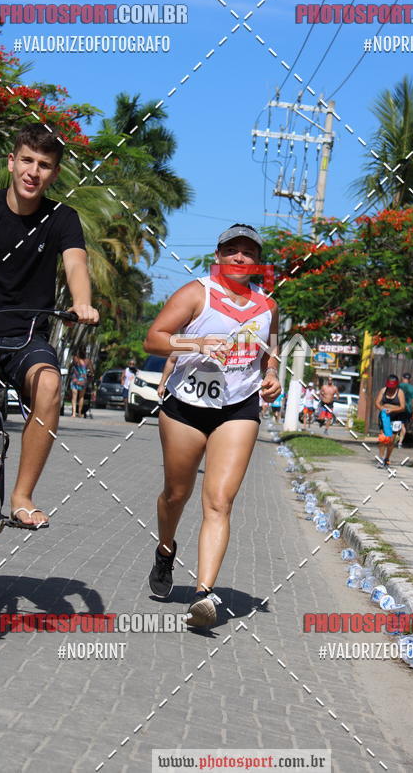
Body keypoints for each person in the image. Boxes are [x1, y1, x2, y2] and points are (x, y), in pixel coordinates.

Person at [0, 123, 99, 537]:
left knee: (49, 385)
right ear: (11, 163)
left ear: (54, 173)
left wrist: (81, 302)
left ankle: (22, 498)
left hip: (27, 338)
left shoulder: (62, 218)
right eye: (27, 160)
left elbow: (76, 263)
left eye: (45, 165)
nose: (34, 171)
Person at [143, 223, 281, 628]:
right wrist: (196, 345)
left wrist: (272, 373)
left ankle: (203, 595)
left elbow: (268, 351)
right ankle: (165, 549)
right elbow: (154, 339)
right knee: (176, 494)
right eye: (232, 250)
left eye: (249, 253)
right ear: (218, 257)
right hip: (186, 405)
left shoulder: (267, 306)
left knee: (219, 501)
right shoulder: (196, 293)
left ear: (258, 263)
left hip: (237, 408)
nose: (240, 257)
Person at [374, 374, 406, 468]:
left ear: (396, 384)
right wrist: (382, 409)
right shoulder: (383, 390)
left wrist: (392, 410)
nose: (390, 388)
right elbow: (377, 403)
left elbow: (402, 407)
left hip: (396, 418)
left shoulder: (400, 392)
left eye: (392, 386)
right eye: (389, 386)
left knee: (391, 440)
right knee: (383, 439)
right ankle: (381, 459)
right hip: (385, 417)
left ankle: (387, 458)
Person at [398, 372, 413, 447]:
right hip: (408, 409)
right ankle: (400, 442)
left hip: (399, 407)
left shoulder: (399, 386)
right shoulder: (412, 388)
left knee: (399, 424)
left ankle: (396, 439)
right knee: (403, 424)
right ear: (410, 379)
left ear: (402, 378)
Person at [70, 352, 89, 417]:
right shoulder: (75, 363)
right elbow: (92, 370)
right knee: (77, 397)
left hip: (78, 380)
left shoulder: (78, 363)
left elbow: (84, 373)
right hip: (78, 380)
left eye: (74, 358)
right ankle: (77, 413)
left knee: (77, 397)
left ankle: (77, 413)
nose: (74, 359)